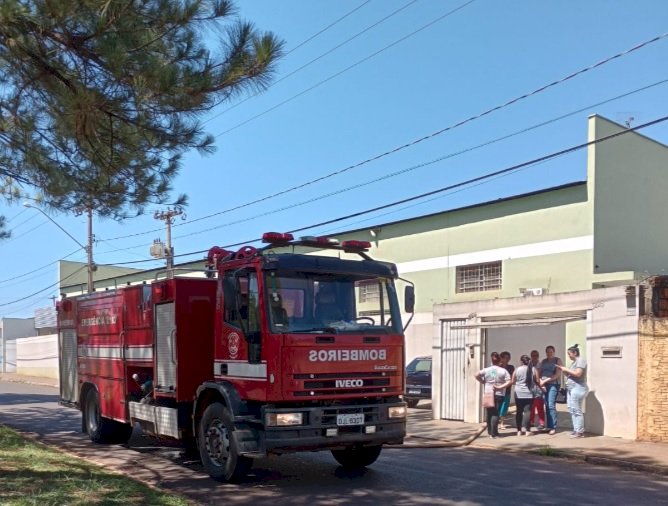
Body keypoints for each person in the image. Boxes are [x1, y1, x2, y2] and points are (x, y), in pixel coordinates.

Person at [497, 354, 540, 436]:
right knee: (527, 411)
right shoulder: (533, 369)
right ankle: (527, 430)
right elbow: (537, 380)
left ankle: (519, 430)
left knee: (519, 411)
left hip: (518, 393)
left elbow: (512, 381)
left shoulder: (517, 369)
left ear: (521, 361)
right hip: (529, 393)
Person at [474, 352, 510, 439]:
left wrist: (482, 381)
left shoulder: (487, 370)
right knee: (495, 414)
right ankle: (494, 433)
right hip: (498, 394)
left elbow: (476, 374)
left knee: (489, 413)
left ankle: (490, 431)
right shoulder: (503, 371)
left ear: (492, 360)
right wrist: (500, 387)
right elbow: (509, 381)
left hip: (488, 393)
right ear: (499, 361)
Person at [558, 344, 589, 438]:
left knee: (576, 410)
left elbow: (578, 373)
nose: (569, 356)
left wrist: (565, 369)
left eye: (569, 354)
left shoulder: (580, 361)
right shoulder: (574, 362)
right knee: (571, 409)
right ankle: (576, 430)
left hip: (578, 388)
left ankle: (579, 432)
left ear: (575, 353)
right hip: (571, 388)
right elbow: (572, 375)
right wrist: (564, 371)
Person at [540, 345, 563, 435]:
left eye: (551, 352)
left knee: (551, 405)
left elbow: (557, 374)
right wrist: (541, 382)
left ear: (554, 352)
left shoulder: (558, 360)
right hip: (544, 385)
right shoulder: (544, 361)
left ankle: (553, 426)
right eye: (548, 352)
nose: (549, 353)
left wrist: (545, 380)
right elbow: (540, 372)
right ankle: (549, 425)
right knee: (546, 405)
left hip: (553, 384)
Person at [529, 349, 545, 430]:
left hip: (538, 387)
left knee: (539, 406)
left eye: (536, 355)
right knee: (531, 407)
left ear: (538, 356)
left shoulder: (541, 365)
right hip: (530, 388)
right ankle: (531, 422)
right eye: (533, 355)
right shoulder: (529, 365)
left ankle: (541, 422)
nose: (534, 357)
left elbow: (541, 376)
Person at [498, 351, 514, 429]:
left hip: (507, 390)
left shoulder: (511, 367)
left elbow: (512, 378)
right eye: (505, 358)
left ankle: (502, 423)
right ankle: (495, 421)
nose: (507, 359)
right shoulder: (497, 367)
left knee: (504, 407)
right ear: (501, 358)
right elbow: (493, 377)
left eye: (508, 358)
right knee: (497, 406)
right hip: (498, 391)